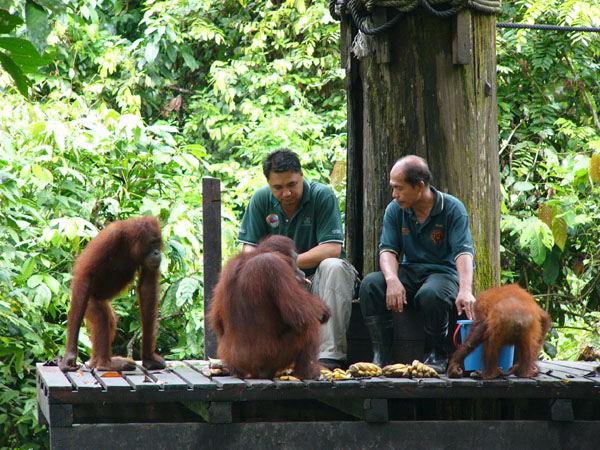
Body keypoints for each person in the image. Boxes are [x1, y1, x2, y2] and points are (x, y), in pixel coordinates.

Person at [238, 149, 359, 370]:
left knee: (335, 266)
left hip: (319, 283)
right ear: (269, 184)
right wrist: (273, 273)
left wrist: (287, 264)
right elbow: (249, 252)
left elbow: (332, 249)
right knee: (247, 273)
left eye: (292, 184)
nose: (286, 193)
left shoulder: (322, 196)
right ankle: (261, 355)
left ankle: (329, 356)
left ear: (302, 175)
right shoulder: (260, 199)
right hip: (280, 286)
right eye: (278, 187)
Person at [358, 155, 476, 373]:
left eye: (399, 188)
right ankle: (380, 355)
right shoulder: (395, 209)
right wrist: (392, 280)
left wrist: (465, 290)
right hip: (410, 271)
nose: (394, 194)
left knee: (431, 293)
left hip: (443, 274)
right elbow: (387, 250)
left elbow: (463, 252)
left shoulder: (451, 208)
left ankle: (436, 353)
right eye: (393, 188)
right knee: (371, 284)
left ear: (420, 186)